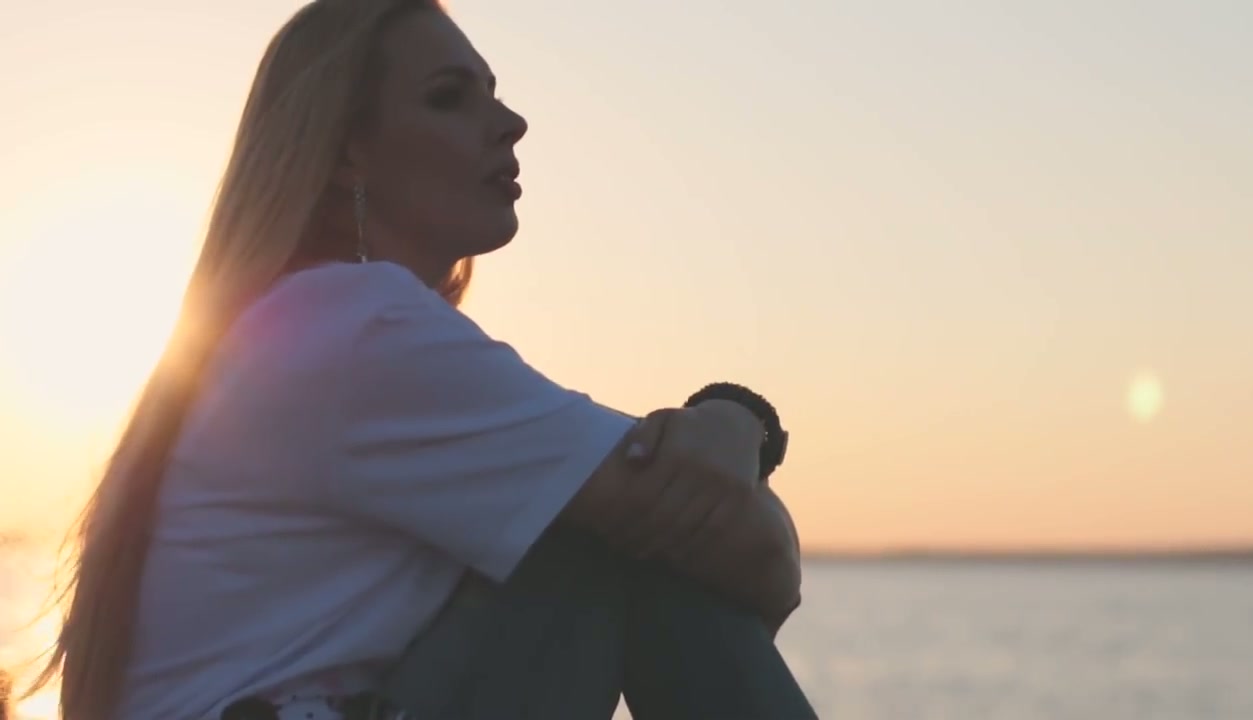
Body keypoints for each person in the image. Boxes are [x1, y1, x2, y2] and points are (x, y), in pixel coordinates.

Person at [24, 1, 814, 718]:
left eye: (494, 92)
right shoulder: (352, 326)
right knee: (598, 536)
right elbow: (750, 554)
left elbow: (727, 538)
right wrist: (735, 425)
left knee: (588, 514)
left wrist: (731, 431)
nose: (511, 123)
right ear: (346, 155)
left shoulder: (288, 328)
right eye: (449, 98)